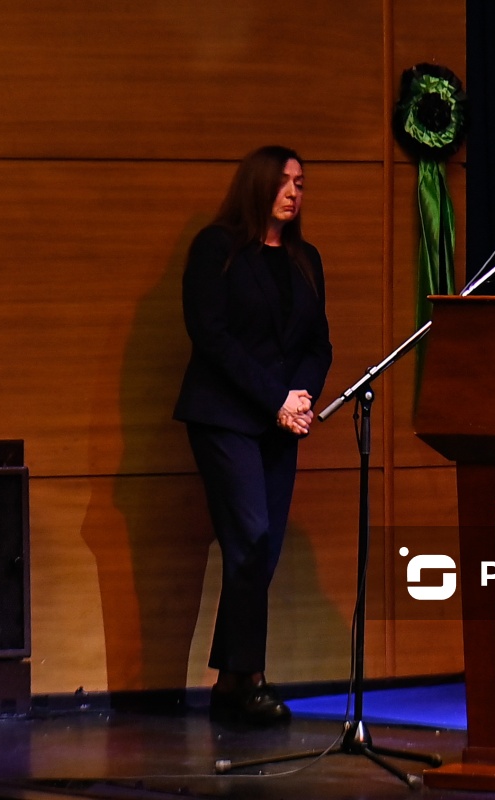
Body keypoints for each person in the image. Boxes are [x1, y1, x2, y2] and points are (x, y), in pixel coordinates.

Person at [173, 145, 332, 725]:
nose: (293, 192)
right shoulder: (217, 248)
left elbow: (318, 343)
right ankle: (251, 678)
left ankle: (230, 682)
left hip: (279, 423)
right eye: (284, 181)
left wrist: (301, 397)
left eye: (301, 183)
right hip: (225, 417)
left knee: (261, 548)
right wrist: (276, 399)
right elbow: (211, 336)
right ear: (257, 185)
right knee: (251, 536)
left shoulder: (305, 259)